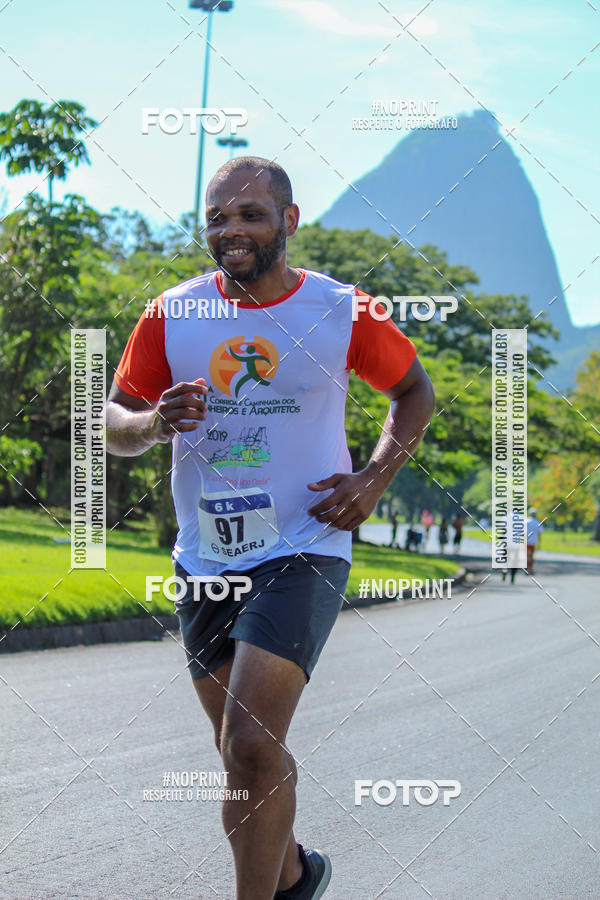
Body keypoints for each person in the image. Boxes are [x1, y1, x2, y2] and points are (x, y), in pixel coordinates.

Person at [105, 157, 435, 900]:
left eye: (251, 214)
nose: (232, 231)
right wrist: (153, 424)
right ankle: (294, 876)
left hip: (306, 542)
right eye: (218, 217)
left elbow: (415, 390)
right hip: (206, 555)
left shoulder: (344, 308)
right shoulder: (172, 313)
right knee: (243, 754)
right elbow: (110, 425)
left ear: (289, 221)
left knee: (251, 742)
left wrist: (373, 479)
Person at [526, 508, 544, 574]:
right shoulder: (537, 522)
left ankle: (527, 569)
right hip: (533, 541)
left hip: (526, 540)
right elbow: (540, 533)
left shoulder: (526, 521)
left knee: (527, 555)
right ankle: (530, 569)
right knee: (531, 556)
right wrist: (539, 543)